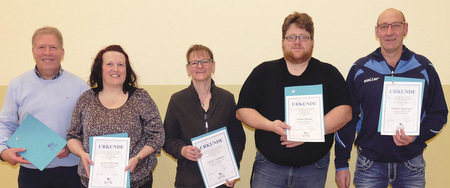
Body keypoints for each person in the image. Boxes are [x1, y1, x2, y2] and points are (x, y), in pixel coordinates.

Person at [334, 8, 448, 188]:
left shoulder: (424, 68)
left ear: (405, 29)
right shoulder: (360, 69)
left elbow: (439, 114)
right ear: (376, 31)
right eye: (384, 26)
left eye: (395, 25)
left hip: (411, 164)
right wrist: (341, 163)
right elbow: (347, 118)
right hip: (369, 165)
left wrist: (416, 135)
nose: (389, 32)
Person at [236, 12, 352, 188]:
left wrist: (308, 133)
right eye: (291, 37)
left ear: (312, 41)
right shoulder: (263, 72)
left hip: (313, 170)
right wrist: (271, 126)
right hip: (268, 169)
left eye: (303, 37)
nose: (297, 42)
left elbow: (345, 112)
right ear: (283, 41)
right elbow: (242, 111)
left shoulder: (329, 73)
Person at [0, 26, 88, 187]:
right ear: (33, 52)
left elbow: (89, 128)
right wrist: (3, 151)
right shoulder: (17, 85)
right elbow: (5, 124)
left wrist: (72, 147)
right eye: (41, 47)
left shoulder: (81, 86)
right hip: (31, 171)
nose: (47, 52)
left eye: (53, 47)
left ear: (62, 53)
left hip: (72, 171)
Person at [66, 45, 165, 188]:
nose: (115, 69)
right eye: (109, 64)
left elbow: (157, 135)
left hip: (136, 181)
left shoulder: (141, 98)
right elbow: (72, 136)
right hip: (93, 181)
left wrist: (138, 157)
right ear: (100, 69)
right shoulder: (86, 99)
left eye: (120, 65)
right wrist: (82, 154)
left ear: (127, 69)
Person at [163, 44, 246, 188]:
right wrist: (182, 150)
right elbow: (167, 138)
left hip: (221, 181)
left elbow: (238, 139)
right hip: (188, 180)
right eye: (194, 63)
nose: (199, 66)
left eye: (205, 61)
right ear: (188, 69)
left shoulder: (227, 99)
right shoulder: (177, 100)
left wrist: (232, 170)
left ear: (213, 66)